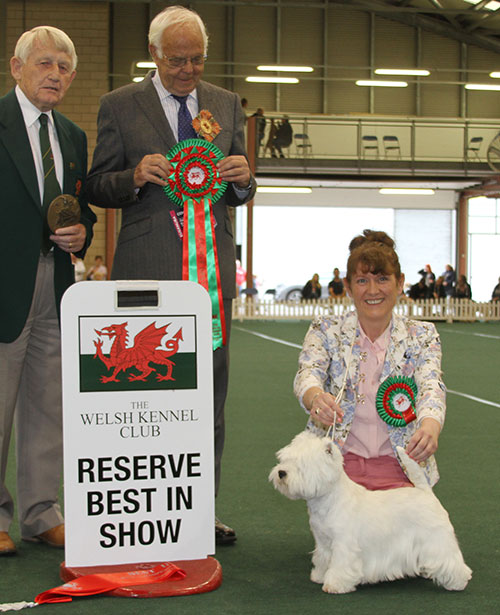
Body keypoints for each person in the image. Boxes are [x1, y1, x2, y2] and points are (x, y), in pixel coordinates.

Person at [87, 5, 256, 546]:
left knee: (209, 392)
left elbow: (239, 187)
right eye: (178, 59)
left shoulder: (227, 104)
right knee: (144, 393)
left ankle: (200, 512)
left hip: (210, 276)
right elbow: (95, 185)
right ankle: (143, 513)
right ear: (155, 54)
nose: (189, 70)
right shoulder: (119, 105)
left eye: (198, 59)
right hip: (144, 269)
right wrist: (133, 177)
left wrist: (245, 178)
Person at [0, 26, 96, 555]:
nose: (54, 74)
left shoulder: (75, 137)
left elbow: (77, 209)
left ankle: (40, 512)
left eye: (63, 66)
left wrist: (83, 229)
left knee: (45, 405)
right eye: (44, 63)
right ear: (17, 68)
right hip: (3, 285)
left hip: (57, 284)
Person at [294, 230, 445, 491]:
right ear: (349, 287)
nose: (373, 290)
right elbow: (308, 372)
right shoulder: (325, 329)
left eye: (383, 279)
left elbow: (432, 386)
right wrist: (315, 397)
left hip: (403, 468)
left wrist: (430, 426)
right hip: (337, 469)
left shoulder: (423, 335)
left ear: (400, 283)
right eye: (362, 280)